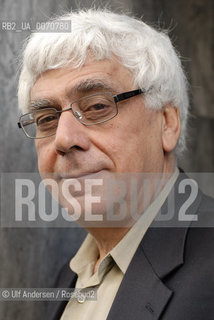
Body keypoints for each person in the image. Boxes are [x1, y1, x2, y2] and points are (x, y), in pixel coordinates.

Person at [17, 9, 214, 320]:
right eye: (47, 119)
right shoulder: (66, 278)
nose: (64, 139)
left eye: (97, 106)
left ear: (167, 123)